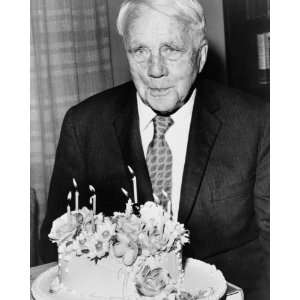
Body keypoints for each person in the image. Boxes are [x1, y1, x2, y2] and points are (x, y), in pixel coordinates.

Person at [39, 0, 269, 299]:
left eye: (171, 49)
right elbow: (55, 244)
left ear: (199, 57)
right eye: (140, 50)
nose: (155, 69)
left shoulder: (256, 122)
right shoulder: (84, 125)